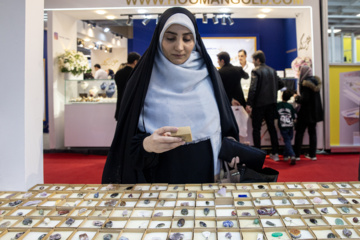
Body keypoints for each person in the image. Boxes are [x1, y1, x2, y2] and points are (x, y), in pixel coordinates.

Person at [102, 7, 239, 184]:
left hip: (206, 172)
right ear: (159, 39)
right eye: (170, 38)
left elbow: (225, 125)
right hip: (158, 174)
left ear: (195, 40)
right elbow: (126, 141)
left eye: (187, 39)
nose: (179, 47)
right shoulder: (143, 79)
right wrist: (147, 144)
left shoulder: (209, 75)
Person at [246, 50, 284, 161]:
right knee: (272, 128)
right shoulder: (272, 70)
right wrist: (272, 89)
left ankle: (258, 154)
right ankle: (275, 153)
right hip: (272, 103)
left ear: (257, 60)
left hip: (259, 104)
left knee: (256, 129)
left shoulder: (256, 71)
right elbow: (281, 84)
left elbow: (253, 88)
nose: (253, 62)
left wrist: (249, 103)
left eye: (253, 60)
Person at [294, 65, 323, 161]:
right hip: (314, 113)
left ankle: (297, 155)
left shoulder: (305, 83)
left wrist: (297, 98)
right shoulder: (315, 82)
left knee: (299, 133)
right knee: (312, 133)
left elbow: (304, 99)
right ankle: (313, 155)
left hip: (305, 113)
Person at [114, 52, 141, 121]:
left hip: (120, 105)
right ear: (135, 62)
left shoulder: (118, 73)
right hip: (131, 107)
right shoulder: (135, 73)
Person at [277, 90, 297, 165]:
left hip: (282, 125)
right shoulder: (290, 106)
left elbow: (275, 115)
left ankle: (286, 155)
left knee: (287, 140)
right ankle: (292, 155)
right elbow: (294, 116)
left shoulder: (278, 105)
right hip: (290, 125)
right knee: (288, 140)